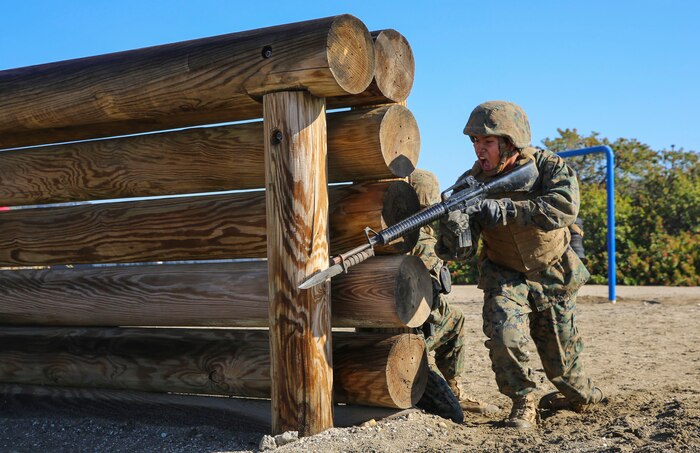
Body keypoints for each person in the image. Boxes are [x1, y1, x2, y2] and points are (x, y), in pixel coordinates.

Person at [436, 100, 603, 429]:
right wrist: (454, 227)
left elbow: (565, 206)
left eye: (487, 143)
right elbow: (461, 254)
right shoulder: (469, 183)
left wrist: (509, 210)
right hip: (504, 274)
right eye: (474, 143)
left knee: (566, 374)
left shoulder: (546, 166)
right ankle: (523, 402)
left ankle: (582, 396)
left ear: (509, 142)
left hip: (553, 271)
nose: (479, 151)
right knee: (503, 335)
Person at [409, 169, 499, 416]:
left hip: (412, 327)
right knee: (453, 413)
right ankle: (445, 392)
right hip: (411, 338)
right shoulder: (419, 240)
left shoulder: (405, 231)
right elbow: (433, 297)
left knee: (456, 319)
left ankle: (453, 386)